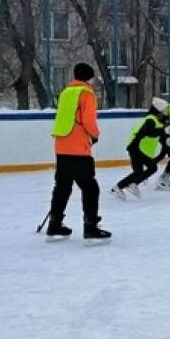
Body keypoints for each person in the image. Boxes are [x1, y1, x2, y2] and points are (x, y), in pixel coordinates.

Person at [47, 63, 110, 240]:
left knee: (62, 187)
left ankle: (55, 223)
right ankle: (91, 226)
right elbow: (89, 121)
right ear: (89, 78)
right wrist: (95, 135)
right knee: (90, 188)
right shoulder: (86, 93)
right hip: (79, 148)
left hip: (61, 146)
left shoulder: (66, 92)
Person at [109, 97, 169, 200]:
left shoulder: (158, 121)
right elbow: (148, 132)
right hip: (135, 146)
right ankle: (118, 187)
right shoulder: (151, 119)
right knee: (149, 168)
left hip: (137, 147)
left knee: (144, 170)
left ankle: (128, 185)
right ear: (160, 109)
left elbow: (161, 135)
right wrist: (162, 131)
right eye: (165, 108)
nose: (167, 110)